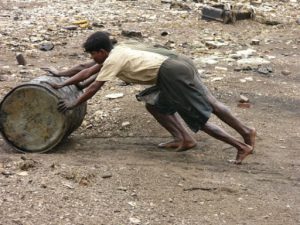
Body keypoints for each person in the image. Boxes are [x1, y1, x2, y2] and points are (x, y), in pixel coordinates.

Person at [45, 31, 256, 164]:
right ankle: (189, 138)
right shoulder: (118, 50)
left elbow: (94, 88)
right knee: (155, 105)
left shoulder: (113, 60)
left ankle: (241, 146)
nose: (91, 58)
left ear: (101, 51)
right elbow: (86, 70)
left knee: (197, 117)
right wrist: (62, 80)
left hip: (171, 72)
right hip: (174, 66)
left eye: (93, 54)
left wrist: (73, 103)